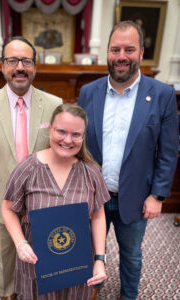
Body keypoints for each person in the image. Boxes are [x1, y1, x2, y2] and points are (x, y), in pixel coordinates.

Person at [78, 20, 179, 300]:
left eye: (129, 49)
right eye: (115, 50)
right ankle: (88, 295)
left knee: (131, 255)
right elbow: (78, 142)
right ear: (107, 54)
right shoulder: (89, 92)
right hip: (93, 195)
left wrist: (157, 196)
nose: (121, 56)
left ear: (141, 53)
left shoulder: (162, 95)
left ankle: (128, 296)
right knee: (89, 252)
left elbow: (169, 151)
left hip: (134, 197)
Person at [0, 36, 62, 300]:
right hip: (1, 199)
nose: (20, 66)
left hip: (43, 201)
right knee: (6, 257)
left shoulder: (54, 105)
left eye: (26, 61)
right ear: (2, 66)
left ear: (35, 66)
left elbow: (62, 154)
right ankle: (8, 295)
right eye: (12, 60)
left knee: (43, 256)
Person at [1, 103, 110, 300]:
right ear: (49, 129)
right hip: (36, 265)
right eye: (61, 131)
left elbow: (98, 215)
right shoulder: (28, 168)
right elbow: (8, 208)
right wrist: (20, 243)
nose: (68, 140)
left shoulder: (91, 172)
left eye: (76, 134)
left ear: (83, 137)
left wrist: (100, 259)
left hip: (77, 265)